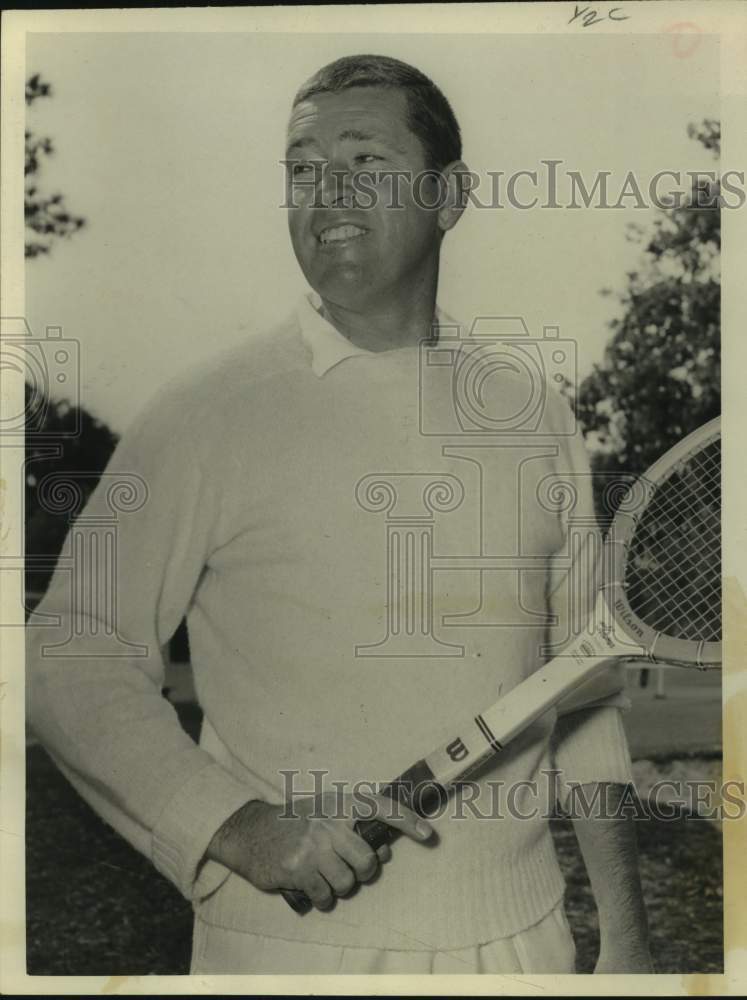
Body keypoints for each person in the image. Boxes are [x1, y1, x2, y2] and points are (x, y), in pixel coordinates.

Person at [27, 54, 653, 975]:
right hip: (290, 954)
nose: (325, 191)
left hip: (528, 948)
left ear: (449, 196)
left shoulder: (531, 409)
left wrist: (629, 940)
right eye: (301, 167)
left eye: (362, 159)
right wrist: (235, 827)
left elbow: (583, 690)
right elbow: (68, 650)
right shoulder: (207, 411)